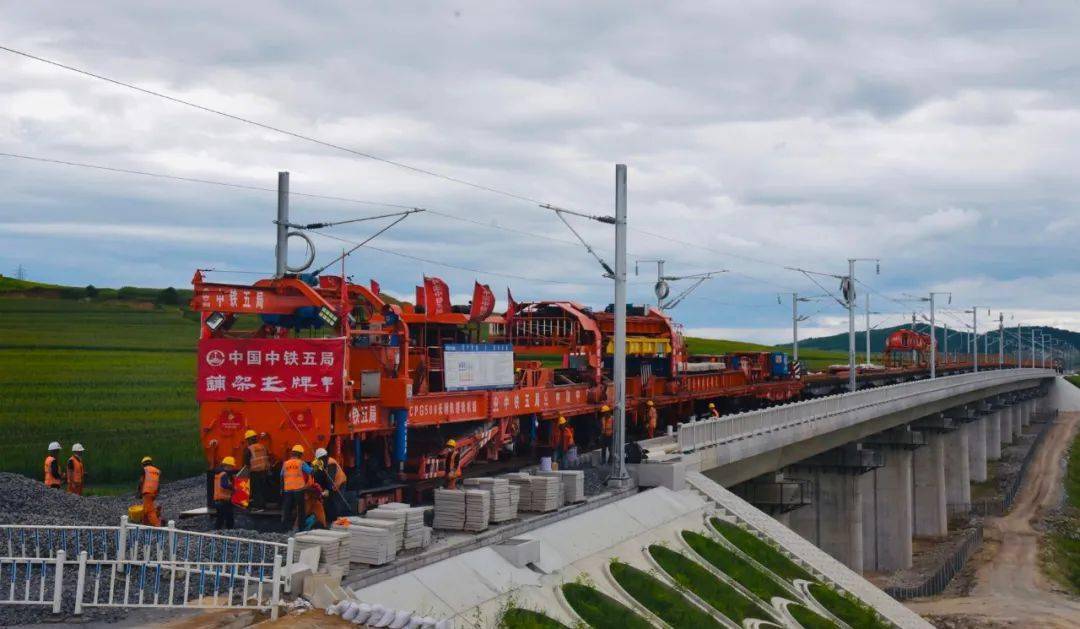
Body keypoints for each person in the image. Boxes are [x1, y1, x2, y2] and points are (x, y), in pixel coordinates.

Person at [280, 445, 312, 531]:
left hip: (288, 489)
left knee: (287, 509)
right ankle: (301, 528)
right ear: (300, 454)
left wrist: (282, 489)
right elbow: (310, 471)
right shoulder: (301, 463)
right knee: (301, 510)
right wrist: (316, 466)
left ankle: (286, 528)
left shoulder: (285, 463)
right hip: (299, 489)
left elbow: (281, 476)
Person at [313, 447, 349, 522]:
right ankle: (330, 519)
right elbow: (318, 476)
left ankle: (338, 519)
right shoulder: (320, 463)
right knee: (329, 501)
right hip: (331, 485)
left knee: (337, 501)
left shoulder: (331, 463)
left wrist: (327, 490)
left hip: (339, 482)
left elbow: (330, 479)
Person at [243, 430, 270, 511]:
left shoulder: (249, 449)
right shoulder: (263, 446)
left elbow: (246, 463)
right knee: (262, 489)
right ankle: (263, 505)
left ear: (249, 440)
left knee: (256, 490)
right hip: (264, 471)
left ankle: (259, 507)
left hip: (255, 472)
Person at [213, 456, 237, 530]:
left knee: (220, 518)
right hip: (223, 500)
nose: (232, 468)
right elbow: (224, 485)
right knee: (229, 517)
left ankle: (217, 532)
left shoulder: (218, 473)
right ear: (227, 466)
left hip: (218, 500)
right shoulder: (224, 474)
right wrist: (233, 488)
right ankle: (229, 531)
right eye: (231, 466)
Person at [138, 456, 162, 527]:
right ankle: (144, 524)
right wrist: (156, 493)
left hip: (147, 492)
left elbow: (141, 482)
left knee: (150, 511)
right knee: (146, 508)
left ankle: (158, 526)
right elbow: (158, 483)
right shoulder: (156, 471)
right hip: (154, 492)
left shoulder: (144, 470)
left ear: (143, 464)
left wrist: (139, 492)